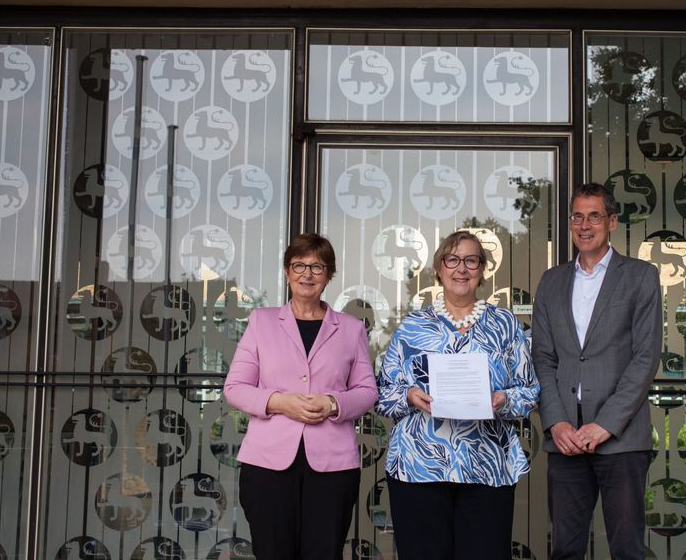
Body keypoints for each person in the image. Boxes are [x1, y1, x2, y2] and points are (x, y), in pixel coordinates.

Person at [376, 230, 540, 560]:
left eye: (471, 260)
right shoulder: (412, 327)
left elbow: (530, 391)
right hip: (419, 467)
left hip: (487, 468)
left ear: (482, 269)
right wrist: (409, 396)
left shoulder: (505, 325)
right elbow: (382, 394)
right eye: (452, 260)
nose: (461, 268)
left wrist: (503, 400)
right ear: (439, 268)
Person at [224, 233, 378, 560]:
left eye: (317, 267)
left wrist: (333, 404)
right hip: (267, 464)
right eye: (299, 266)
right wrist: (280, 402)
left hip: (333, 466)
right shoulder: (261, 322)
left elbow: (367, 392)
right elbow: (235, 387)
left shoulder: (351, 328)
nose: (307, 274)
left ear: (329, 275)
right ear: (286, 271)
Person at [531, 183, 662, 560]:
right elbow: (543, 358)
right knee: (565, 550)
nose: (584, 225)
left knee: (627, 550)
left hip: (621, 438)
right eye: (577, 217)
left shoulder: (640, 276)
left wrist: (605, 425)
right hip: (566, 439)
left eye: (594, 216)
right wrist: (556, 423)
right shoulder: (551, 281)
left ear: (612, 222)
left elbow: (645, 358)